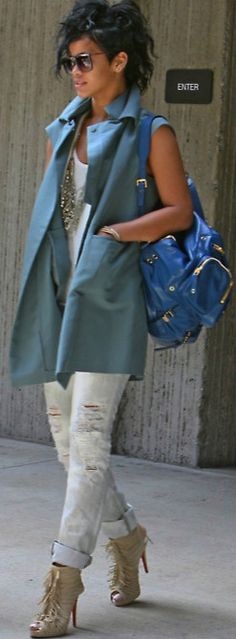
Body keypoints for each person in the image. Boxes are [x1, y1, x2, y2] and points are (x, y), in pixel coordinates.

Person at [10, 0, 193, 636]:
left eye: (85, 60)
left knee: (88, 444)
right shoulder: (64, 127)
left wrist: (118, 234)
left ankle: (62, 581)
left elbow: (180, 212)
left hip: (110, 300)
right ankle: (128, 535)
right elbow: (55, 218)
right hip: (58, 298)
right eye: (69, 61)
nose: (74, 71)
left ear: (120, 61)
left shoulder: (152, 132)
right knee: (70, 452)